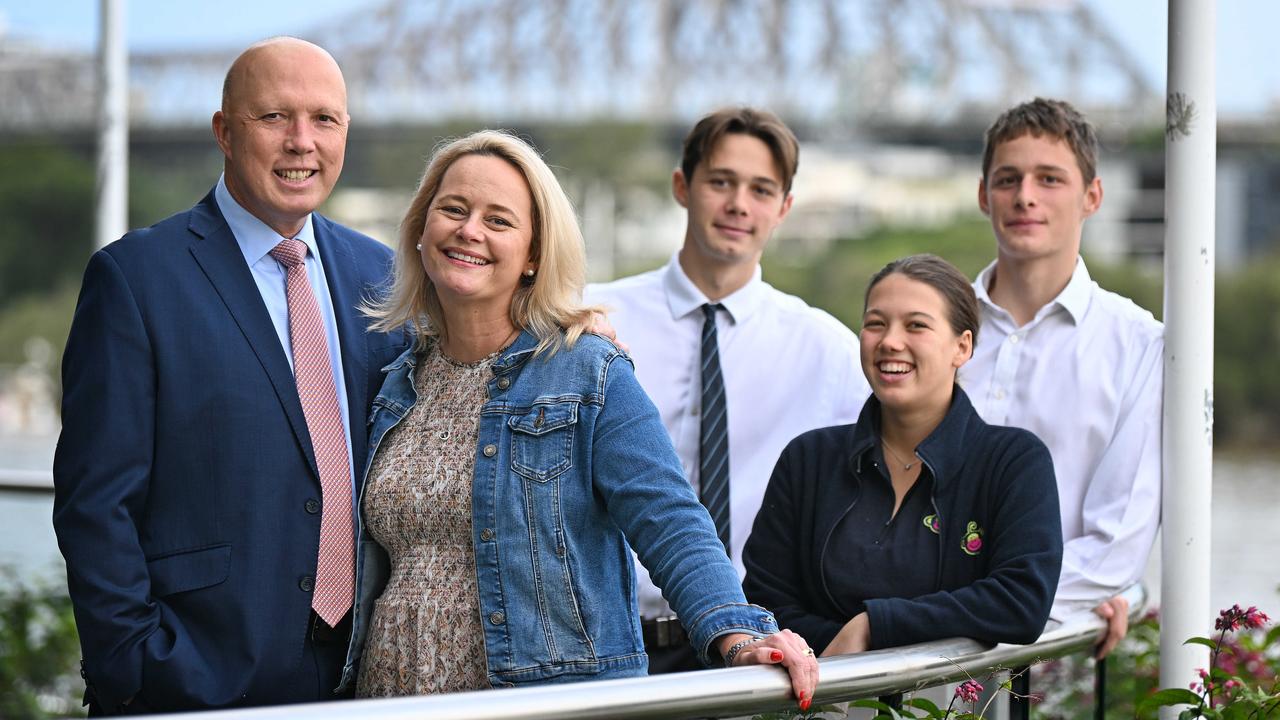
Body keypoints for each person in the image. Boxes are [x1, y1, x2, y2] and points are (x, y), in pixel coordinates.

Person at [337, 130, 819, 709]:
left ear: (534, 255)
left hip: (539, 702)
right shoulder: (396, 381)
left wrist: (741, 637)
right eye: (454, 209)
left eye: (499, 220)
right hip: (391, 699)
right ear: (421, 229)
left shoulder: (587, 370)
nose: (470, 231)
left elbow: (668, 517)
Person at [52, 38, 410, 714]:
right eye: (274, 118)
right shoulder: (135, 278)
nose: (302, 142)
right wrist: (136, 665)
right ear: (224, 131)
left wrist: (573, 327)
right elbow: (96, 504)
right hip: (193, 684)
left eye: (324, 120)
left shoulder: (383, 277)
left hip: (364, 681)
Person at [586, 107, 870, 672]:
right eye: (721, 182)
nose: (739, 204)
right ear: (681, 187)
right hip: (610, 644)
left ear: (784, 207)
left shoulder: (828, 351)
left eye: (761, 189)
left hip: (757, 654)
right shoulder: (594, 318)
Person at [742, 254, 1063, 655]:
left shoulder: (1013, 461)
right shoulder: (809, 458)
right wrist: (844, 657)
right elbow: (765, 605)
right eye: (876, 323)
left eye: (916, 326)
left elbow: (1021, 601)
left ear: (961, 347)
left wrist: (875, 626)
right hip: (819, 701)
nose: (890, 341)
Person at [960, 98, 1163, 659]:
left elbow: (1113, 551)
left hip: (1052, 659)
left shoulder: (1141, 346)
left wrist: (944, 604)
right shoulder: (930, 329)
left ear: (1091, 197)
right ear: (984, 195)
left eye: (1049, 179)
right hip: (914, 661)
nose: (1026, 196)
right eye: (1008, 179)